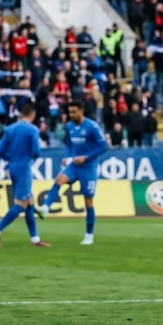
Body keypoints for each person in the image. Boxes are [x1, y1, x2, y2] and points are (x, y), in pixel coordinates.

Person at [36, 100, 108, 245]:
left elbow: (103, 146)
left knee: (88, 201)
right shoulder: (69, 126)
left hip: (89, 167)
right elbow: (69, 144)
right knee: (59, 180)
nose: (71, 115)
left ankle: (89, 235)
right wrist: (68, 157)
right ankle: (45, 208)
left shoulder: (92, 126)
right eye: (70, 112)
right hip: (74, 165)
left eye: (74, 112)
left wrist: (86, 157)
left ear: (81, 111)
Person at [0, 106, 48, 247]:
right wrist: (30, 156)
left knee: (30, 203)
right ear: (32, 115)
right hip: (23, 168)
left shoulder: (10, 129)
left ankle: (35, 239)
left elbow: (0, 150)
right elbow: (37, 151)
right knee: (21, 204)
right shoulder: (32, 129)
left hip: (12, 168)